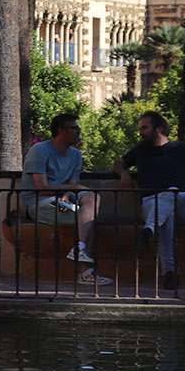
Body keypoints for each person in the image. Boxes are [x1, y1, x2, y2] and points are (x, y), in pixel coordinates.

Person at [112, 110, 185, 291]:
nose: (141, 132)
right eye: (140, 128)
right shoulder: (141, 150)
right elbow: (118, 163)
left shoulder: (180, 148)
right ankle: (169, 273)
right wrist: (124, 173)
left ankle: (148, 230)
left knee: (170, 193)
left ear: (159, 128)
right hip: (151, 204)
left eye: (145, 128)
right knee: (165, 218)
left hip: (181, 201)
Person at [20, 112, 110, 286]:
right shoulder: (40, 150)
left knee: (91, 198)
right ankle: (86, 272)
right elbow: (41, 188)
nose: (79, 131)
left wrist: (67, 195)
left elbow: (73, 182)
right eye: (75, 128)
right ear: (61, 130)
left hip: (63, 201)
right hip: (41, 203)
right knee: (86, 218)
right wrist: (73, 190)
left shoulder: (76, 155)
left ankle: (80, 249)